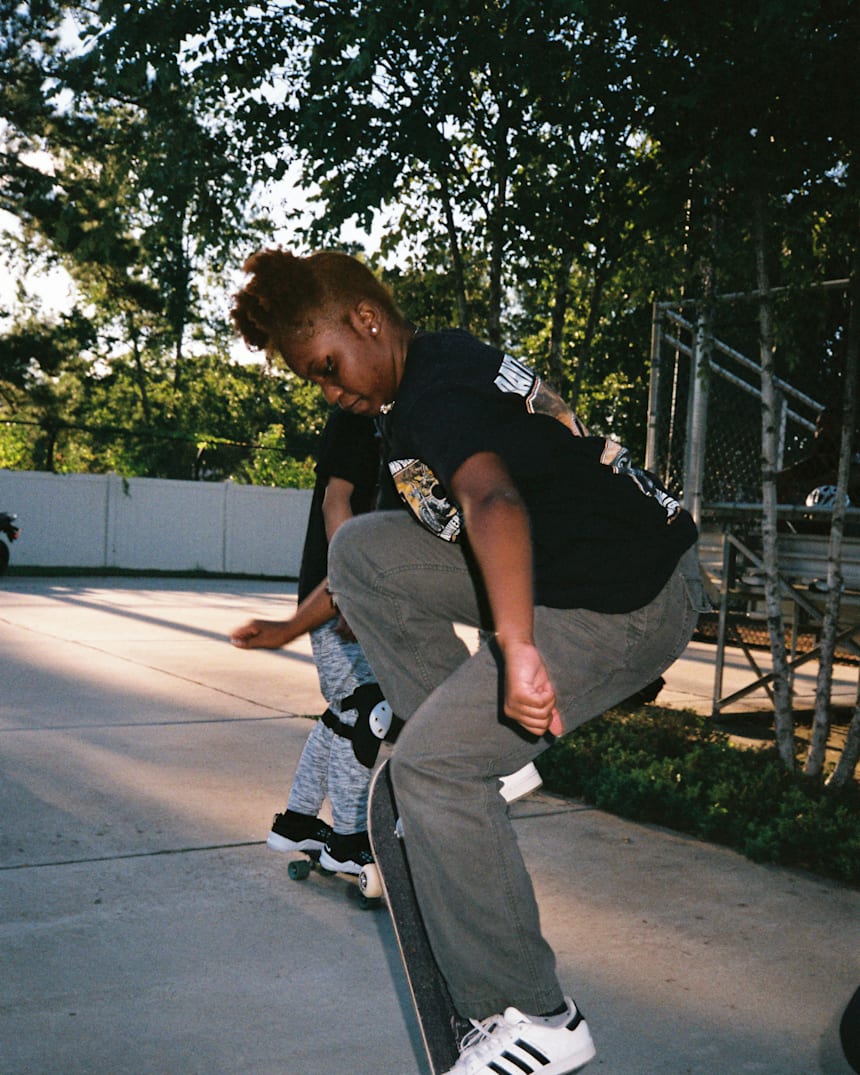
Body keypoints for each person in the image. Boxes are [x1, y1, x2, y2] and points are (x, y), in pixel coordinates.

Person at [231, 248, 708, 1075]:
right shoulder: (416, 389)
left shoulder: (437, 392)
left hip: (625, 598)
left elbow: (494, 501)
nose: (331, 390)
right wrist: (283, 629)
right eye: (316, 382)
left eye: (328, 367)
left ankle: (532, 1013)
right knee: (364, 553)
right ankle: (482, 759)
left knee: (431, 772)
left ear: (366, 320)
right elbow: (369, 577)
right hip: (580, 570)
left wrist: (516, 648)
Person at [231, 406, 389, 874]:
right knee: (367, 709)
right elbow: (334, 501)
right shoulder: (357, 416)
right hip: (336, 594)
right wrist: (350, 589)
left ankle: (298, 820)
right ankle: (347, 840)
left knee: (345, 709)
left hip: (345, 590)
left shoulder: (392, 416)